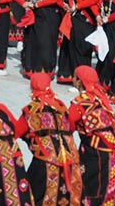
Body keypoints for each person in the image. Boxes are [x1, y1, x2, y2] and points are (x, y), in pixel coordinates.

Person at [69, 66, 115, 206]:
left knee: (93, 186)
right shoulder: (101, 97)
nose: (73, 79)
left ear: (80, 82)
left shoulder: (79, 103)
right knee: (111, 186)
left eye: (75, 77)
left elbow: (67, 127)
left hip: (97, 152)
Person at [17, 73, 81, 206]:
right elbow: (72, 127)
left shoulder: (31, 110)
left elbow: (16, 132)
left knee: (30, 197)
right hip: (71, 160)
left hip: (46, 162)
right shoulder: (61, 107)